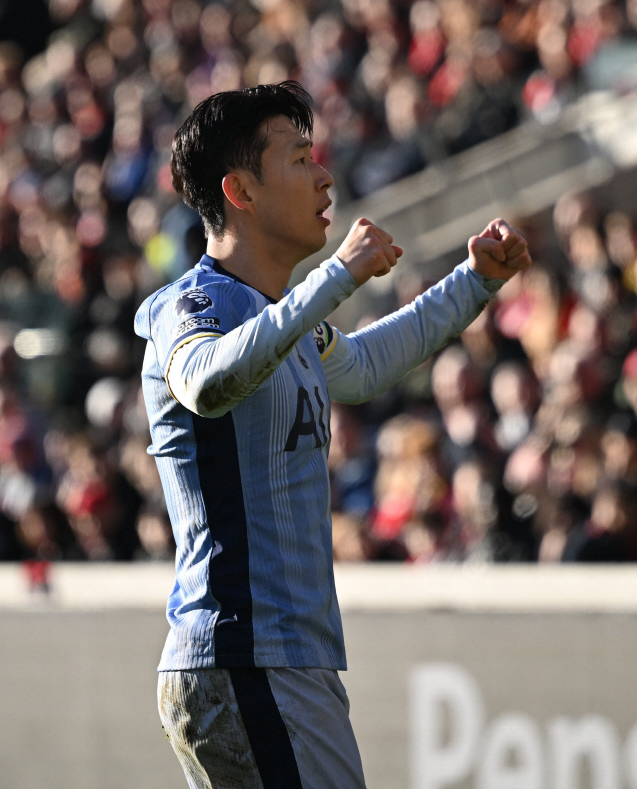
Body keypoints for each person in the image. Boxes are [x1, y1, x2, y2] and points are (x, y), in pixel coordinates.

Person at [135, 80, 531, 789]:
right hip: (246, 655)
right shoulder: (193, 303)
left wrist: (474, 280)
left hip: (275, 660)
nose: (324, 176)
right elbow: (203, 381)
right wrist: (334, 277)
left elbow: (363, 364)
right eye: (297, 158)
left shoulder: (277, 321)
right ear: (240, 191)